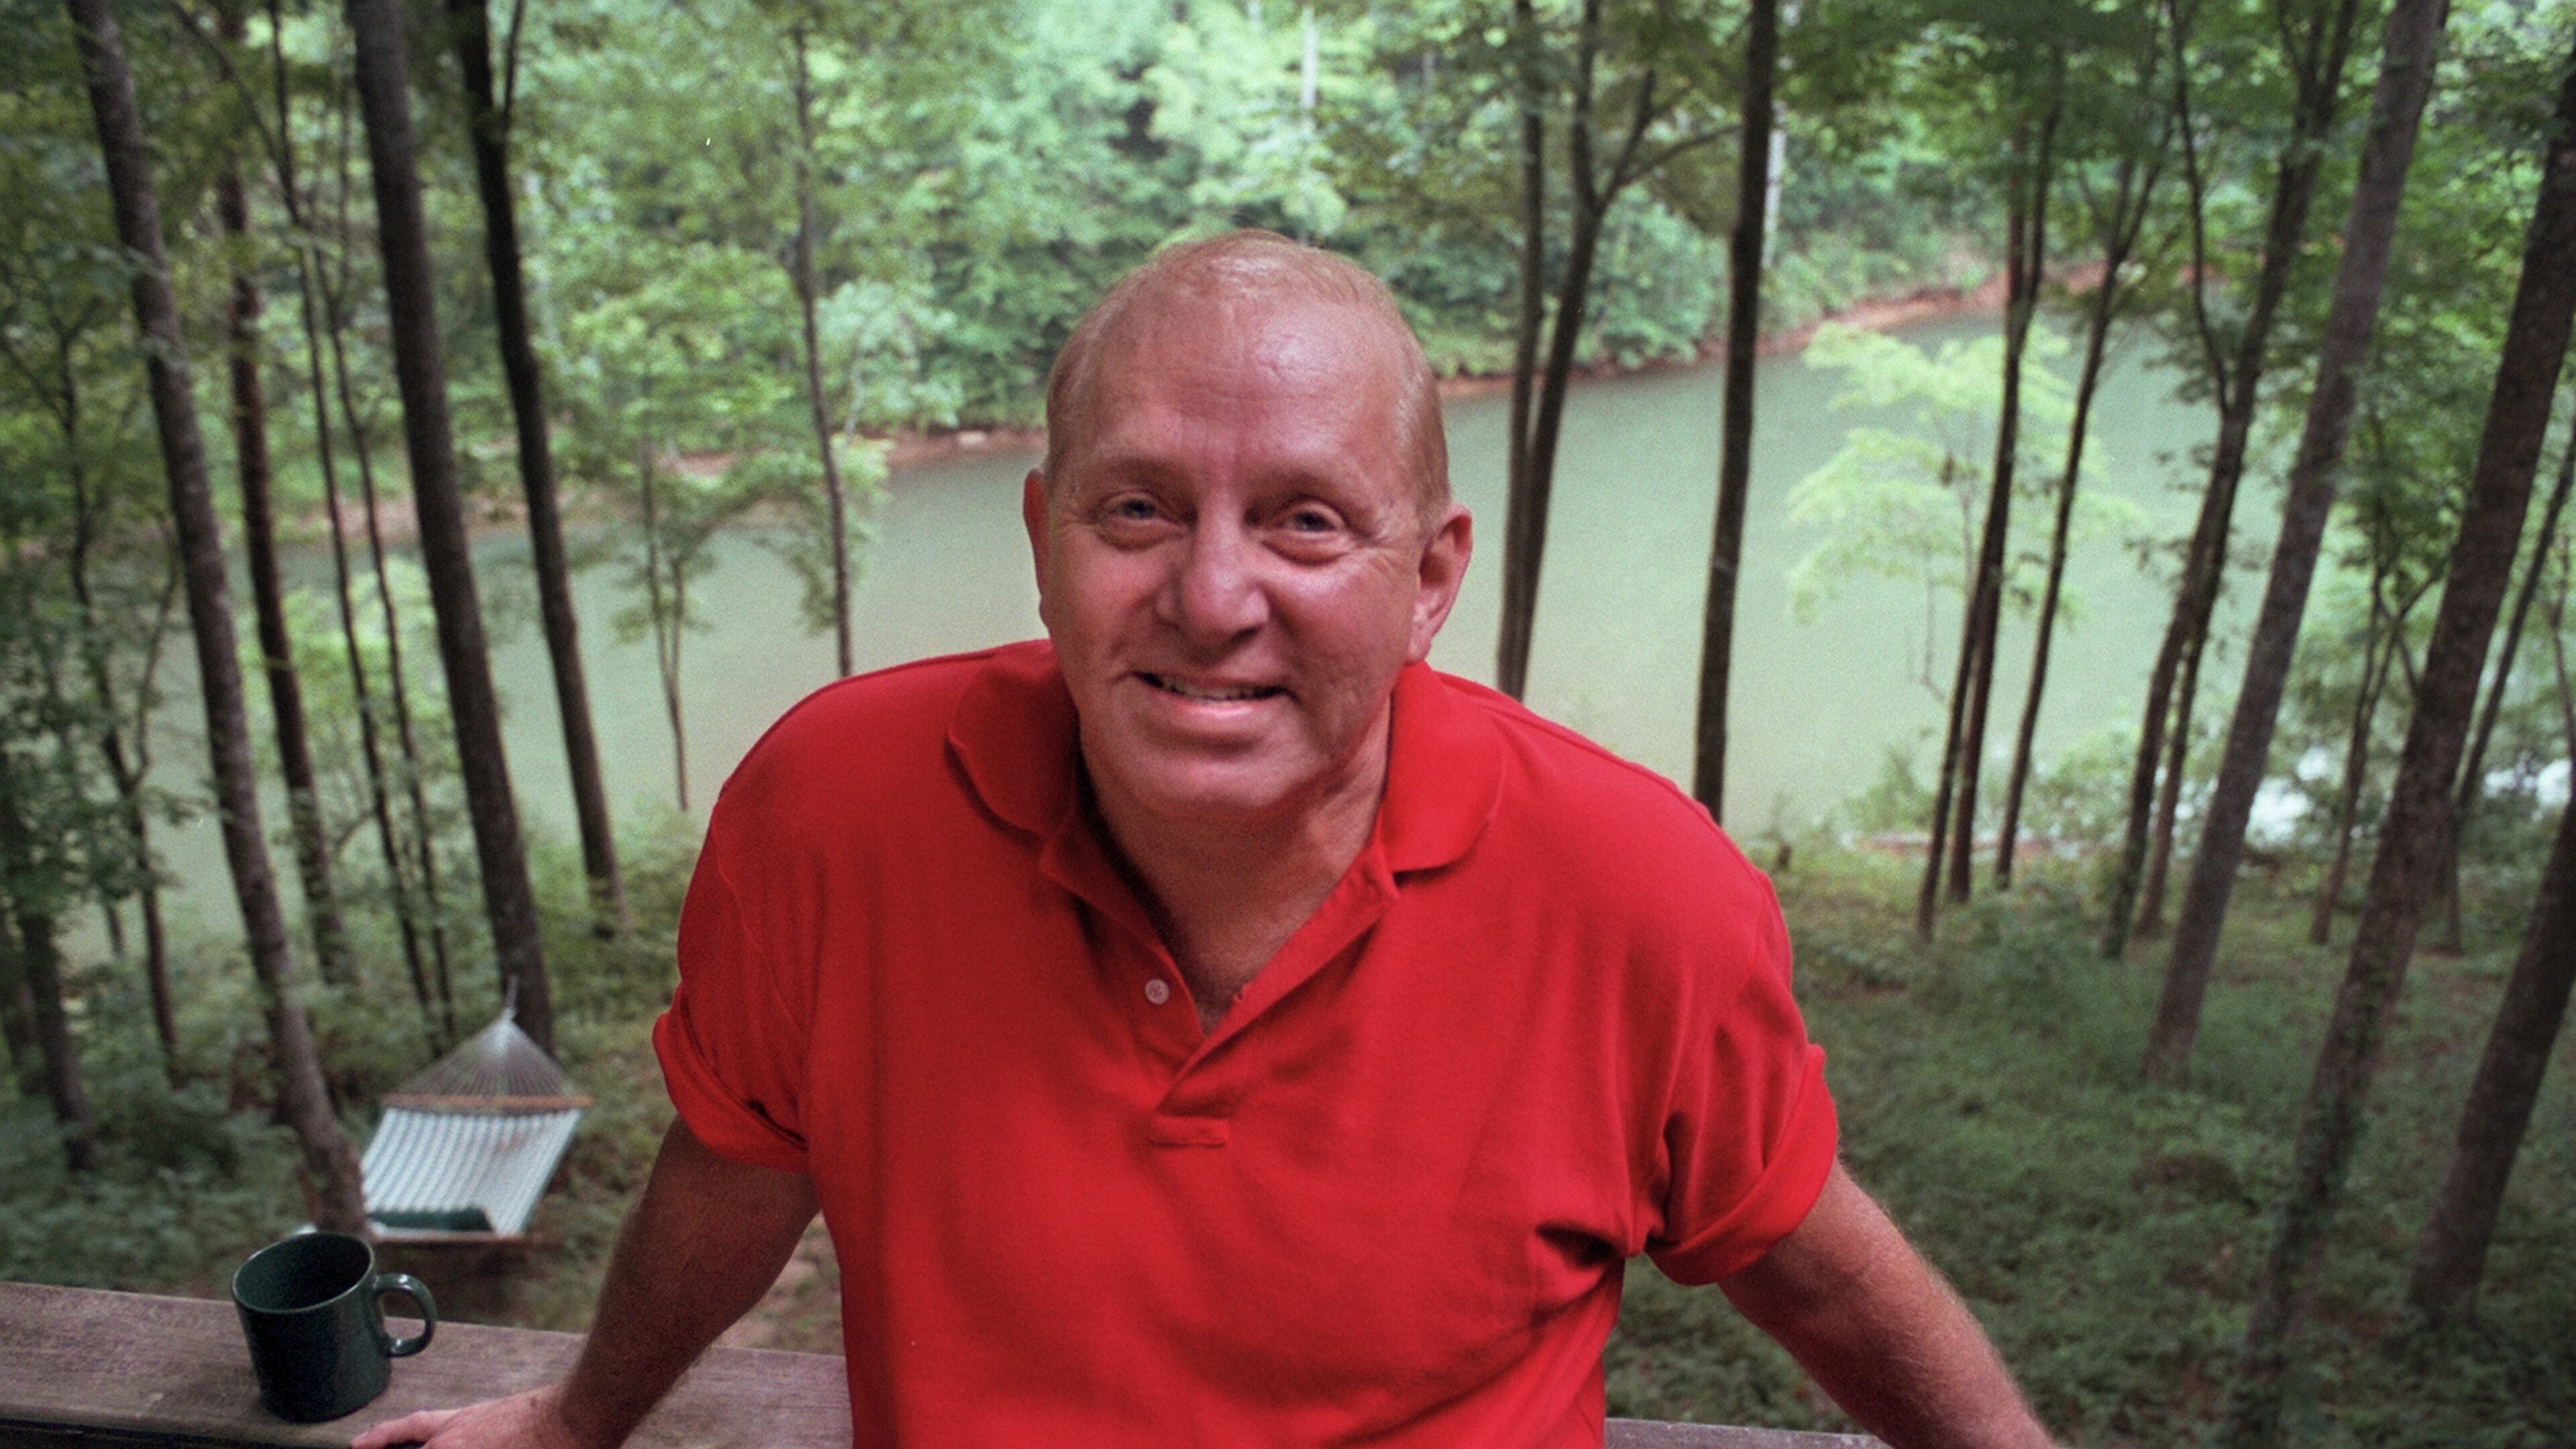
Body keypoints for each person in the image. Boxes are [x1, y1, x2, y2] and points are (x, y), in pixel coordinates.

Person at [356, 231, 2051, 1449]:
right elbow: (744, 1160)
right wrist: (578, 1423)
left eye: (1305, 520)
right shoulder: (835, 813)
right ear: (1044, 535)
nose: (1213, 595)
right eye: (1140, 508)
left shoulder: (1634, 891)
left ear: (1431, 579)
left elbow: (1810, 1267)